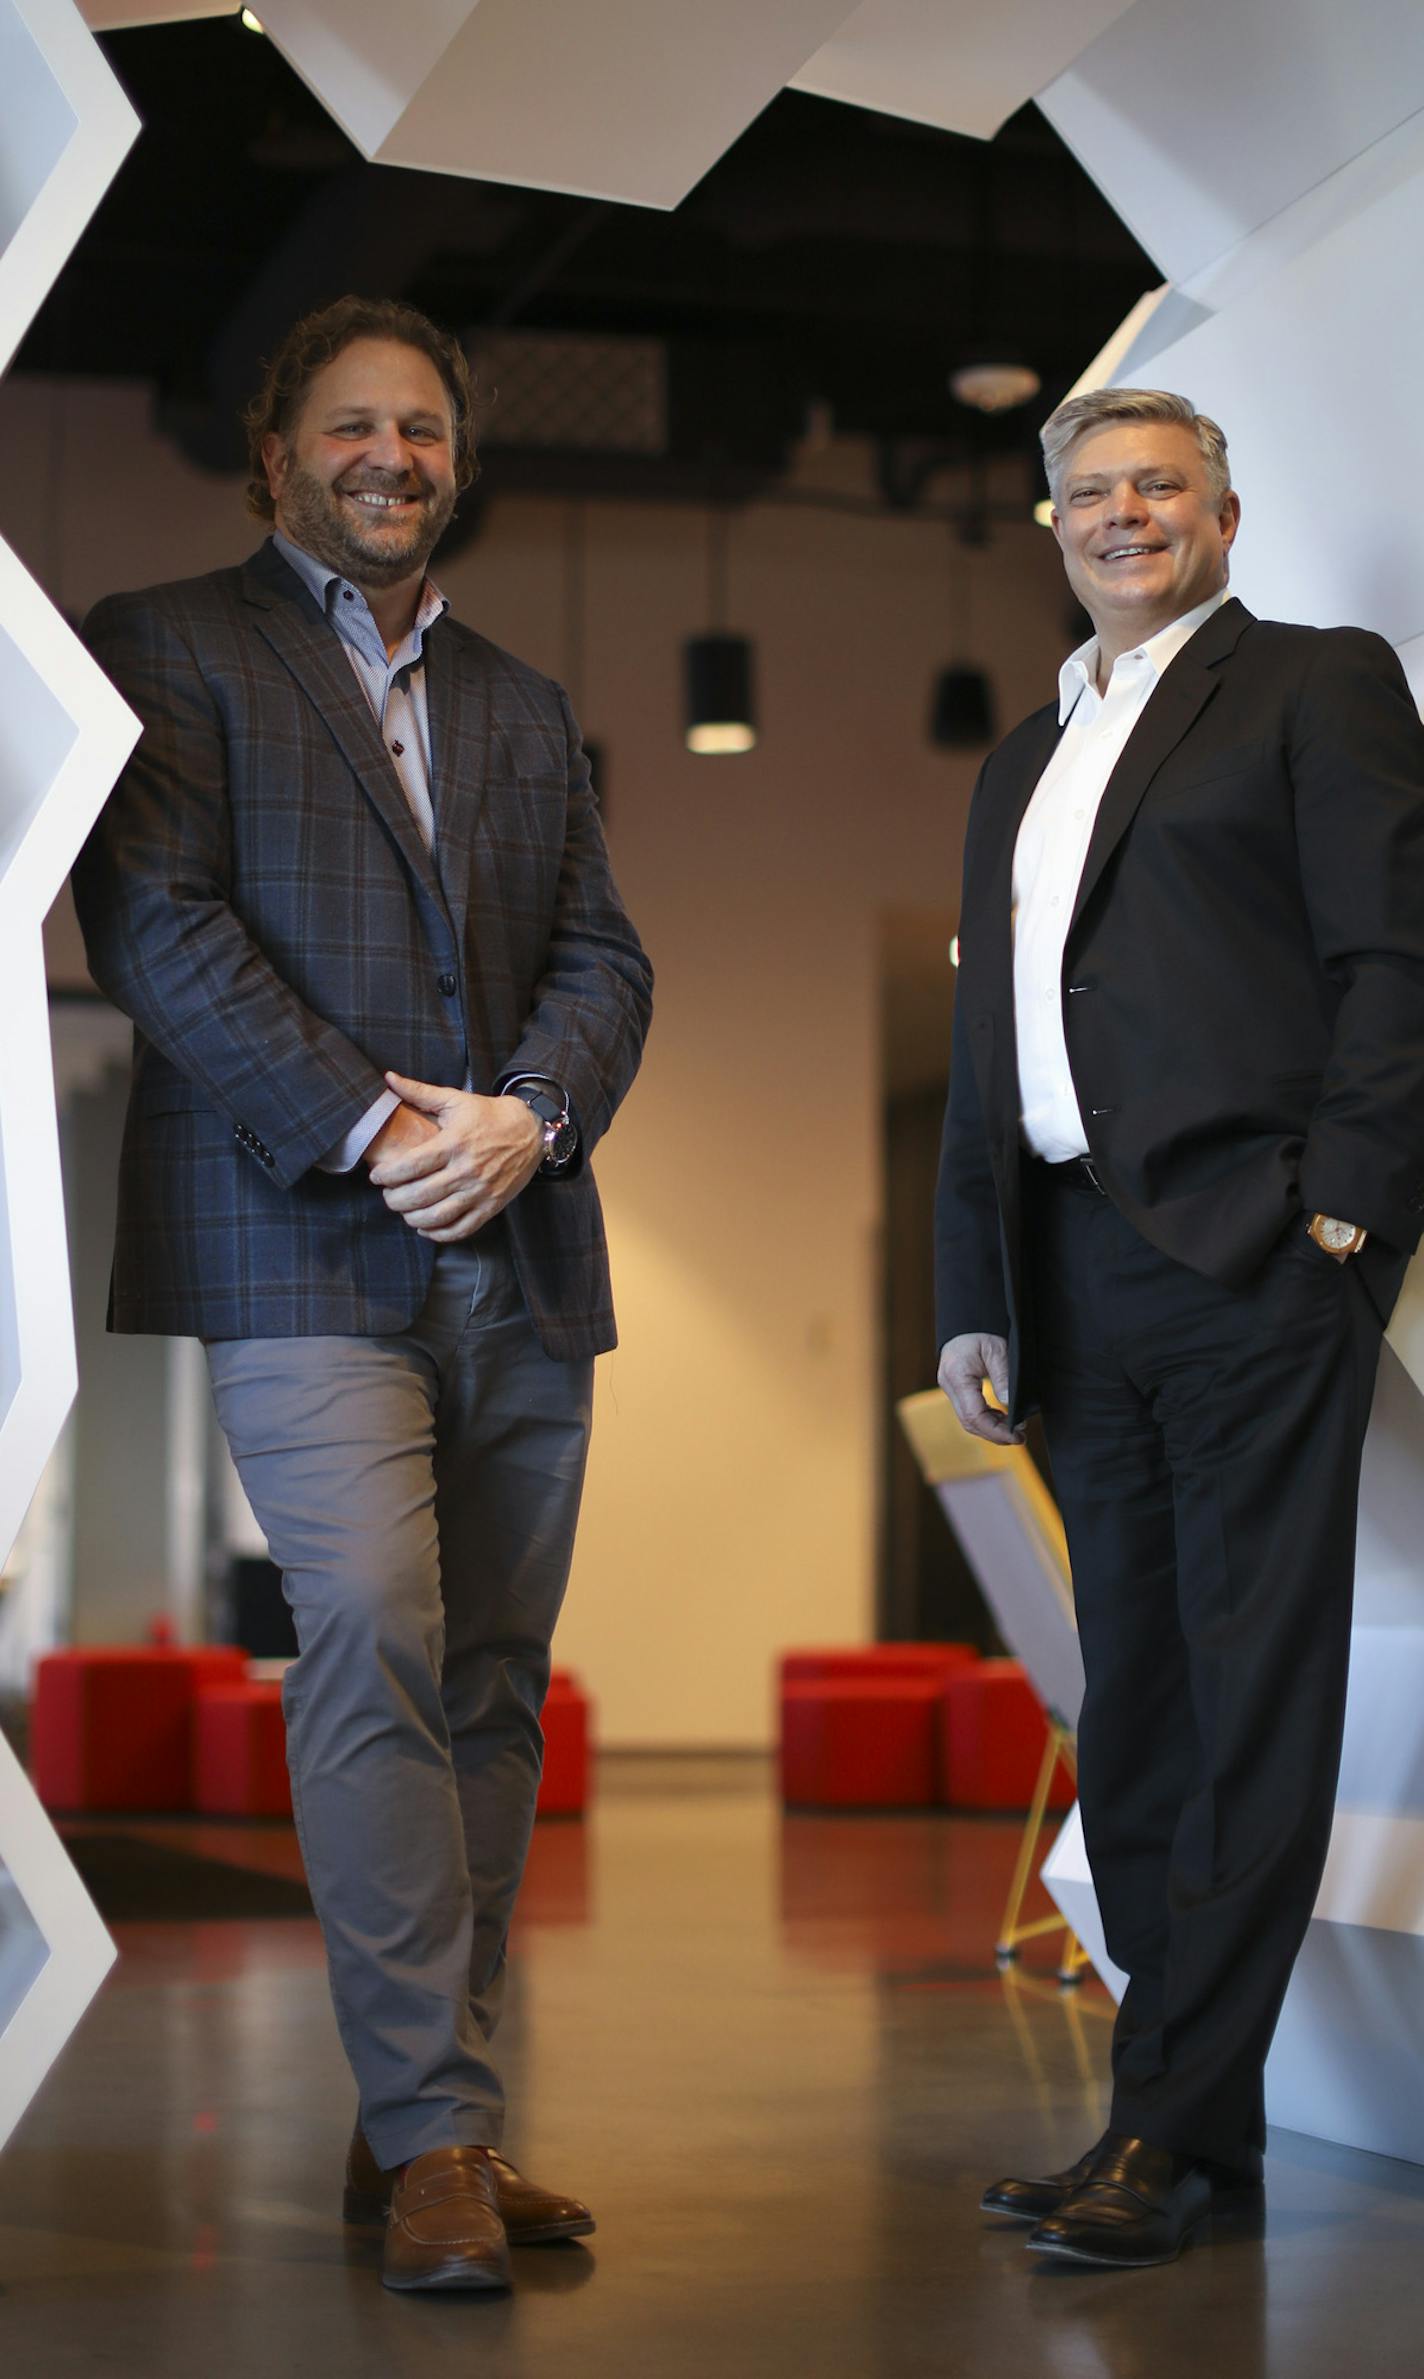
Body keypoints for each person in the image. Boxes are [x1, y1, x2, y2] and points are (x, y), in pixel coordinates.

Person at [72, 295, 653, 2295]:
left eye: (421, 426)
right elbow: (154, 922)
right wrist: (369, 1124)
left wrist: (532, 1116)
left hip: (519, 1234)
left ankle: (432, 2110)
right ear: (275, 449)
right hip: (296, 1233)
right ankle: (435, 2132)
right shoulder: (167, 645)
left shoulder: (514, 696)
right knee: (379, 1639)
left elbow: (605, 956)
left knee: (493, 1677)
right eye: (351, 424)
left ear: (456, 458)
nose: (389, 454)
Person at [936, 386, 1424, 2269]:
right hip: (1063, 1280)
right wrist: (971, 1287)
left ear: (1225, 510)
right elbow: (995, 1045)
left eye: (1160, 486)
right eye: (1090, 493)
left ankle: (1162, 2126)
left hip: (1249, 1259)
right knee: (1135, 1711)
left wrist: (1346, 1217)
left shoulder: (1317, 682)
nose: (1124, 515)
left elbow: (1402, 961)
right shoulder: (1023, 754)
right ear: (1046, 523)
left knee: (1245, 1709)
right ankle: (1182, 2127)